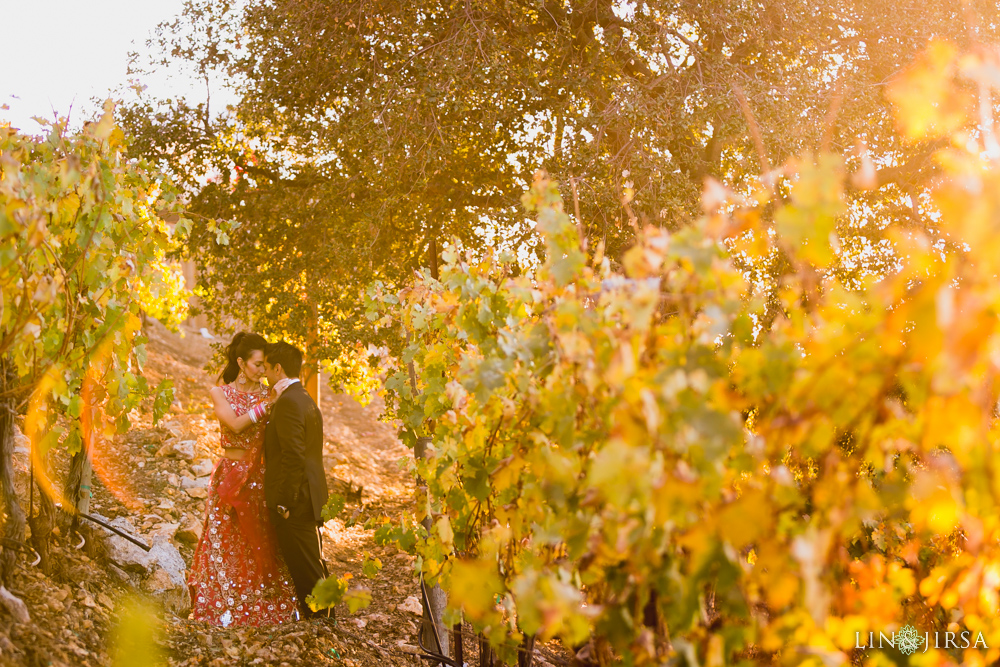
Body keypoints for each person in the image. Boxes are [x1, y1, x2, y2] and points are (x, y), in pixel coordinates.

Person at [187, 332, 300, 627]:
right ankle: (224, 603)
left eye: (265, 365)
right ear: (241, 362)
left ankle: (259, 603)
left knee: (260, 541)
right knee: (225, 538)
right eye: (258, 364)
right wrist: (267, 406)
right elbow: (235, 425)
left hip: (259, 476)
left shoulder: (269, 393)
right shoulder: (220, 393)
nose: (263, 371)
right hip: (230, 475)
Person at [262, 341, 330, 616]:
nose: (265, 374)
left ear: (278, 368)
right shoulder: (303, 397)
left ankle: (322, 625)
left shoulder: (289, 402)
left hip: (297, 500)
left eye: (267, 368)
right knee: (313, 564)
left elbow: (294, 456)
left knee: (307, 570)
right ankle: (324, 622)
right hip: (308, 494)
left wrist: (284, 503)